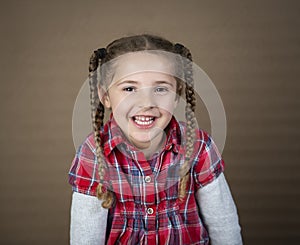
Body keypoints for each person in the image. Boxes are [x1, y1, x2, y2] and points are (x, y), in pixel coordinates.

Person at [68, 34, 242, 245]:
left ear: (176, 94)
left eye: (160, 89)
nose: (146, 102)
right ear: (105, 96)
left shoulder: (198, 146)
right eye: (129, 88)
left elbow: (224, 225)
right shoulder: (94, 155)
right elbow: (85, 238)